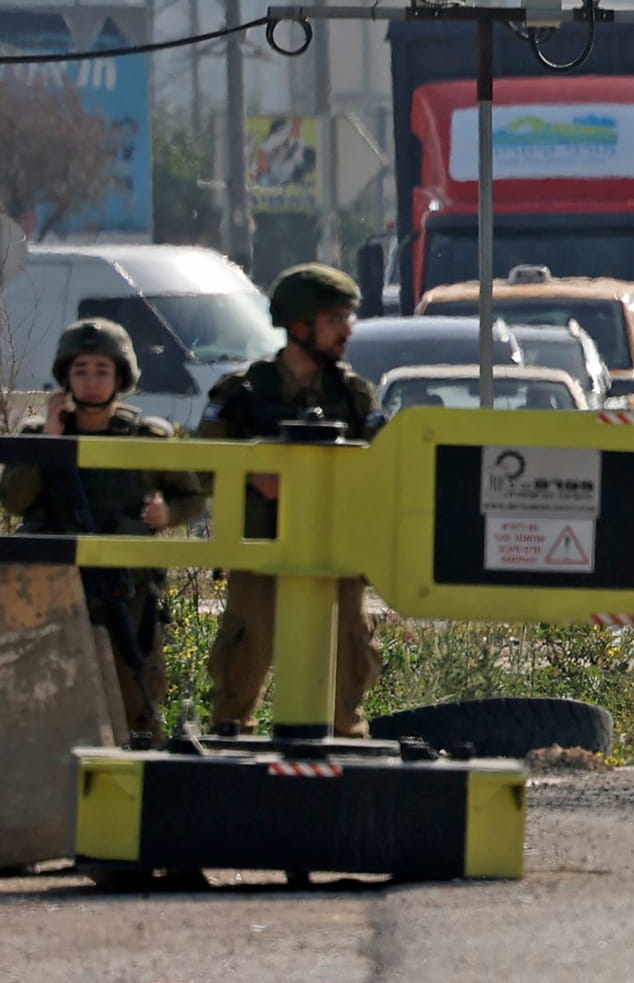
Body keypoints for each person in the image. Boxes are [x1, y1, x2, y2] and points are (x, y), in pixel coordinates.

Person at [199, 264, 384, 738]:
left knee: (347, 662)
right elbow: (200, 465)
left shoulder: (354, 395)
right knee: (243, 663)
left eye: (348, 318)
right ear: (300, 325)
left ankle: (347, 762)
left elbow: (384, 467)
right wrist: (251, 472)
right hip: (260, 548)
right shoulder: (242, 393)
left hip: (335, 551)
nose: (348, 330)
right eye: (335, 319)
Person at [0, 319, 206, 737]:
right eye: (81, 371)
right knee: (44, 701)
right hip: (53, 589)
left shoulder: (145, 438)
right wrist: (52, 440)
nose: (91, 382)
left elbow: (193, 496)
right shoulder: (41, 436)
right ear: (65, 377)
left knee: (136, 699)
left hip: (125, 591)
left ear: (120, 377)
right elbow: (15, 500)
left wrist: (166, 514)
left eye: (101, 371)